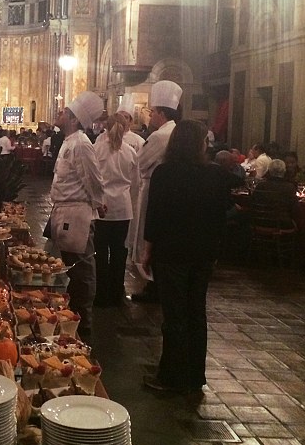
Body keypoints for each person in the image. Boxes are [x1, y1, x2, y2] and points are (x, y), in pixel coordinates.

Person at [141, 120, 228, 394]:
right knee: (196, 313)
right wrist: (214, 251)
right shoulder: (215, 175)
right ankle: (194, 375)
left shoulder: (164, 173)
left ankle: (170, 376)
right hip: (202, 254)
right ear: (198, 144)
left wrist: (147, 250)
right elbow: (219, 218)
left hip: (171, 253)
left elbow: (154, 215)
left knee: (175, 315)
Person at [49, 91, 105, 340]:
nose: (59, 114)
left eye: (64, 112)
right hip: (65, 211)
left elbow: (93, 178)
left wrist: (99, 203)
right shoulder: (70, 141)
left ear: (73, 118)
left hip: (77, 214)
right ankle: (71, 316)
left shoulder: (81, 144)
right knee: (69, 268)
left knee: (81, 271)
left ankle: (83, 324)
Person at [129, 79, 183, 303]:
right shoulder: (176, 132)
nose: (149, 117)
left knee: (148, 235)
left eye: (152, 113)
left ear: (161, 113)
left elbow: (139, 163)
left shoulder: (160, 136)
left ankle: (152, 284)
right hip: (171, 191)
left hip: (152, 188)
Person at [93, 113, 139, 307]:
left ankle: (101, 292)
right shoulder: (130, 151)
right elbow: (136, 183)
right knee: (119, 251)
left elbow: (93, 178)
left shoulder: (97, 149)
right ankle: (117, 291)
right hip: (122, 206)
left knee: (100, 251)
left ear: (106, 126)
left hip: (102, 206)